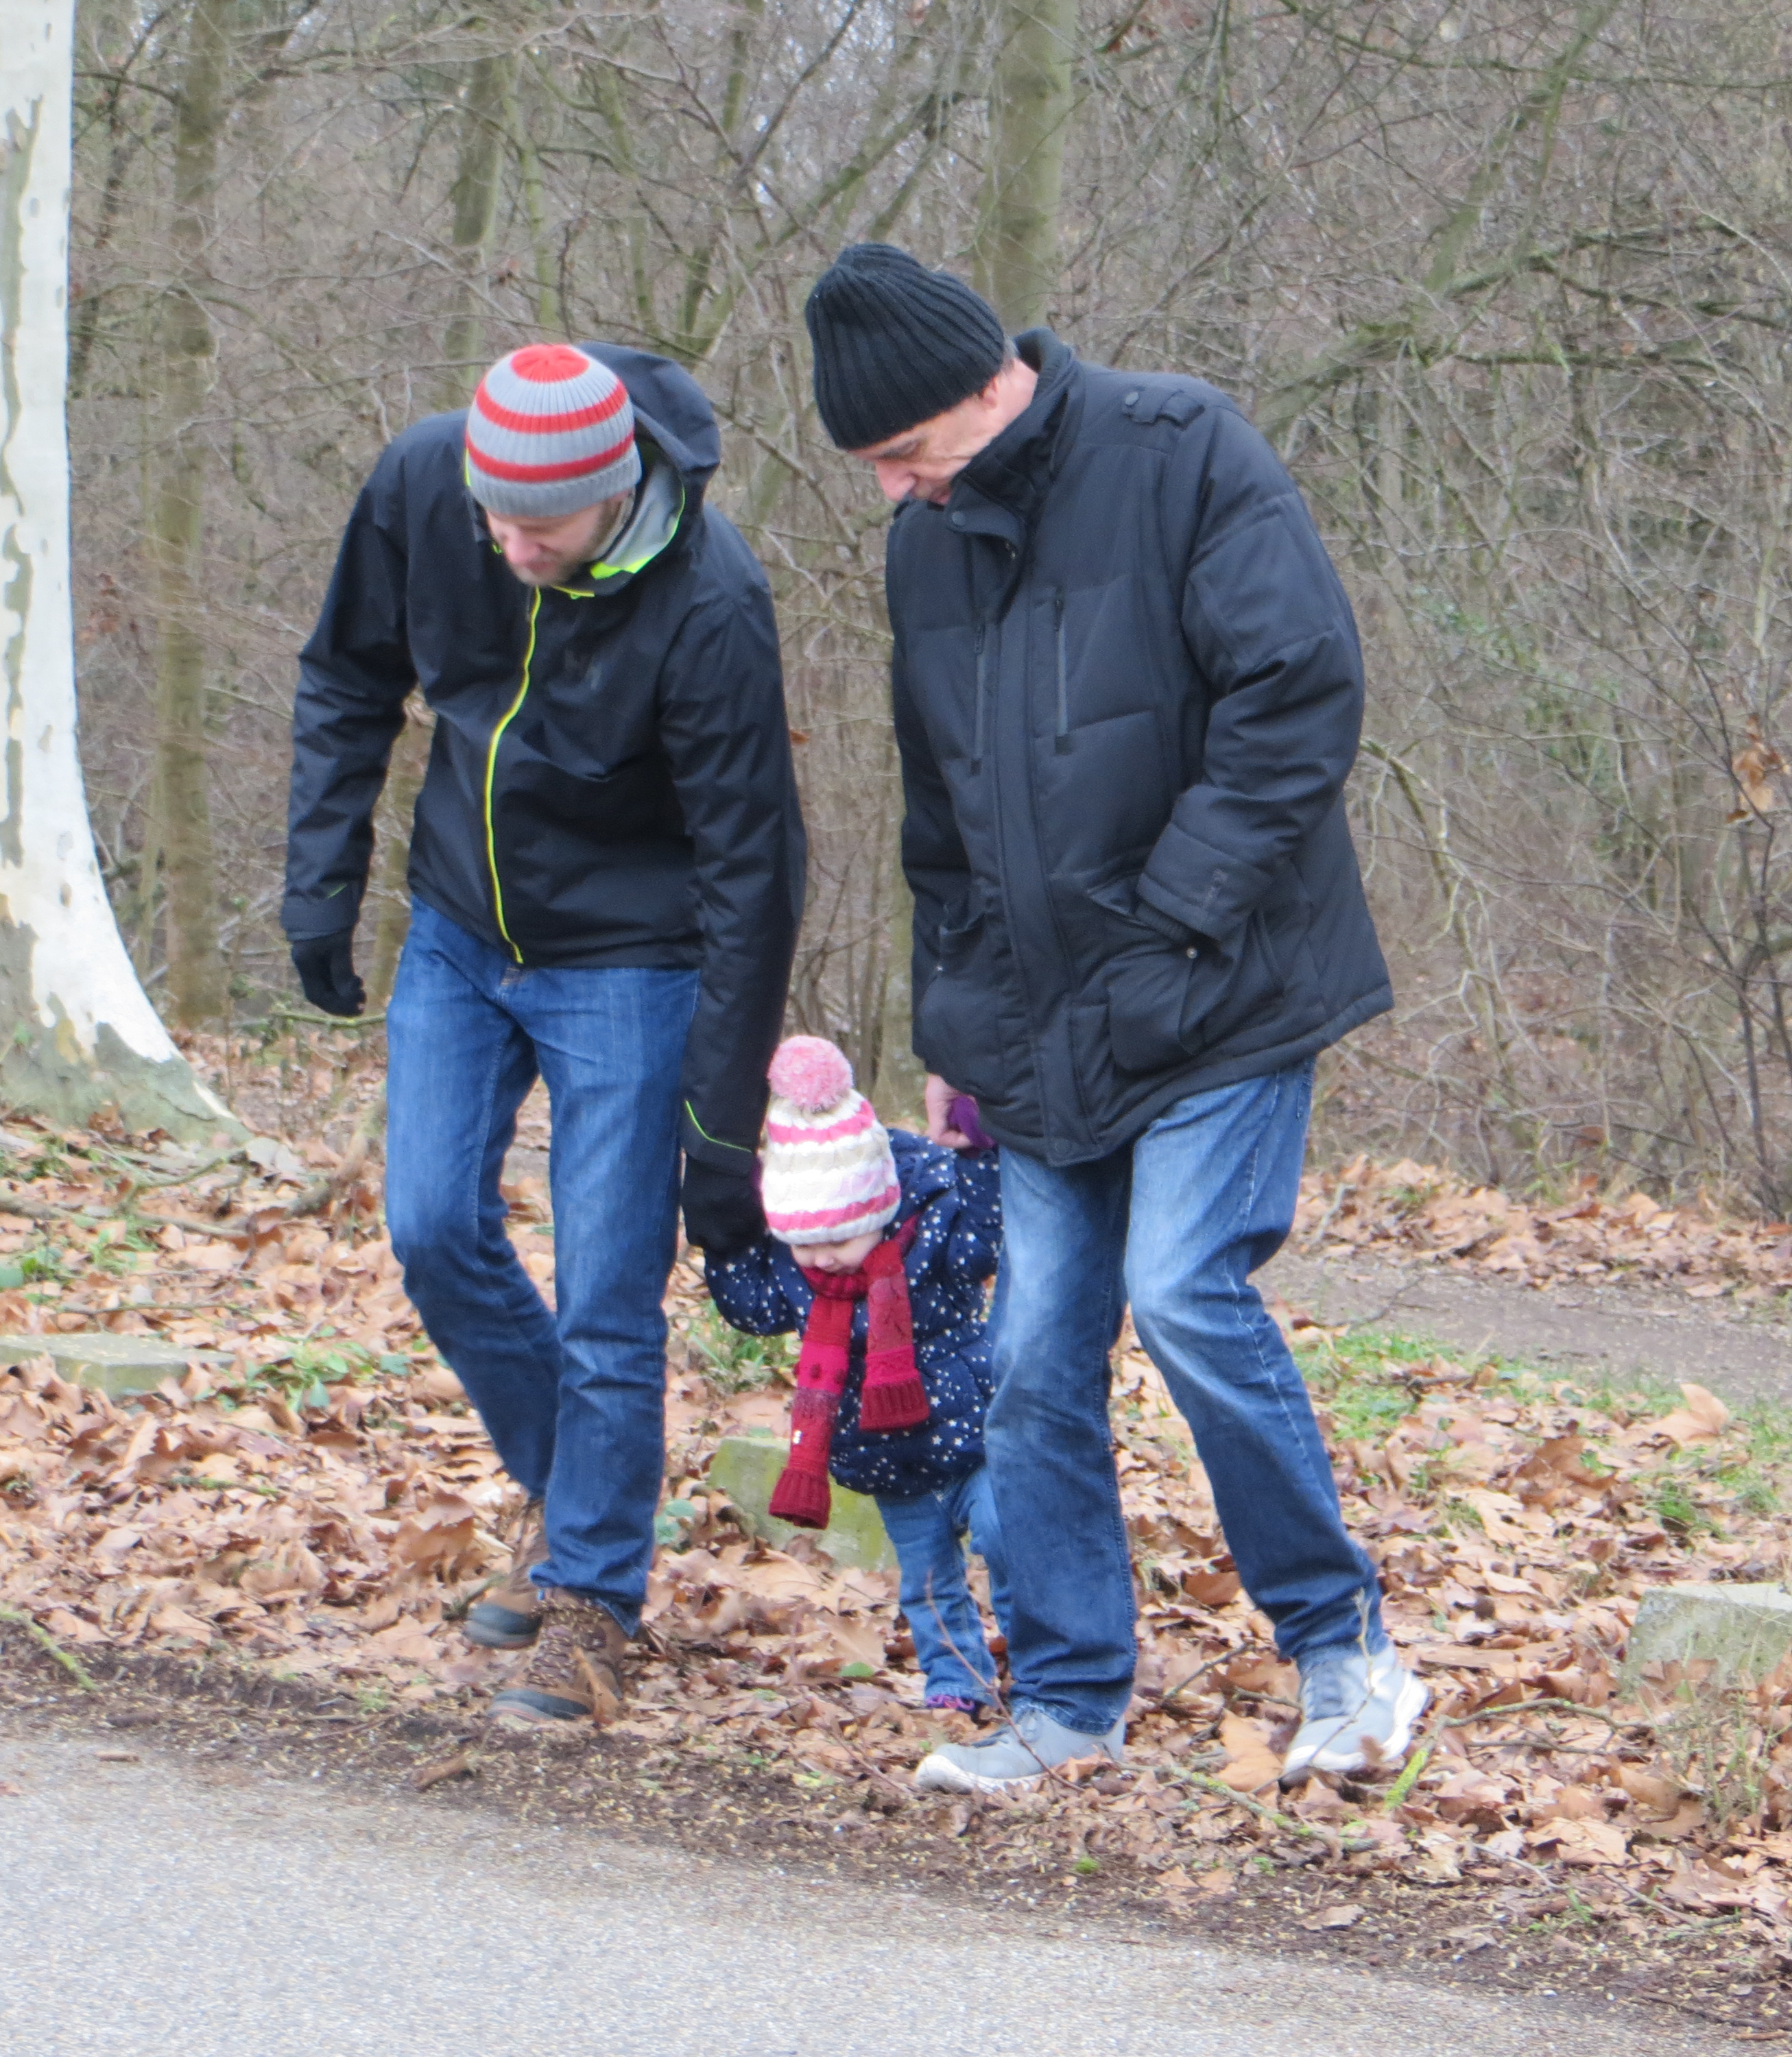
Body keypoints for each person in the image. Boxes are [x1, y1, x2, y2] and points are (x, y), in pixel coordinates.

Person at [799, 245, 1422, 1794]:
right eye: (871, 464)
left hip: (1225, 986)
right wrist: (952, 1012)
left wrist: (1173, 923)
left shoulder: (1180, 450)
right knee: (1025, 1353)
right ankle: (1070, 1700)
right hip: (1038, 1029)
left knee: (1185, 1291)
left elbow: (1299, 695)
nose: (891, 488)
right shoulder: (925, 549)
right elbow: (939, 813)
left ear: (984, 389)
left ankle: (1346, 1651)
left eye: (902, 451)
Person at [283, 342, 804, 1727]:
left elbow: (753, 872)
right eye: (493, 517)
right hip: (460, 925)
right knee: (430, 1225)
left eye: (543, 527)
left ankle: (591, 1605)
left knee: (609, 1293)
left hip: (630, 959)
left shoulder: (711, 602)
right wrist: (322, 876)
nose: (511, 547)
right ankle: (576, 1497)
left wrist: (723, 1129)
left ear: (614, 488)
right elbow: (347, 675)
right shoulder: (423, 480)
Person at [703, 1037, 1006, 1713]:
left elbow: (986, 1241)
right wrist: (721, 1227)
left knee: (1007, 1537)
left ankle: (1039, 1658)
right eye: (804, 1242)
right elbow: (749, 1307)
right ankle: (957, 1680)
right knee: (926, 1582)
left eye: (839, 1237)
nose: (823, 1258)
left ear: (877, 1206)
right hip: (887, 1459)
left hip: (974, 1437)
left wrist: (981, 1156)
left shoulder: (931, 1230)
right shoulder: (796, 1269)